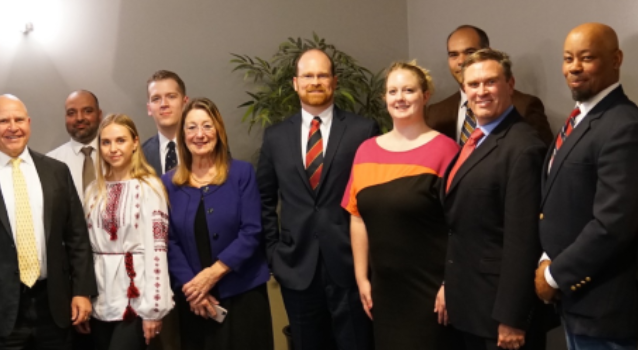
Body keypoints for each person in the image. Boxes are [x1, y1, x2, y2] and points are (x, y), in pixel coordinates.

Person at [534, 23, 638, 350]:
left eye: (586, 57)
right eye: (567, 58)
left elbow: (612, 226)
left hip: (602, 307)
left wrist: (554, 275)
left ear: (616, 59)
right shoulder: (581, 119)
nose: (573, 67)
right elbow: (562, 204)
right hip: (576, 302)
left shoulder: (625, 127)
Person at [0, 95, 97, 350]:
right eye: (3, 121)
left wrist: (82, 290)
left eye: (18, 120)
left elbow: (77, 237)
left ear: (29, 122)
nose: (13, 127)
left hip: (55, 306)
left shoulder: (56, 171)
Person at [256, 48, 378, 350]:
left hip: (350, 265)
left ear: (334, 81)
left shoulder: (363, 131)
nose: (315, 81)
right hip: (296, 267)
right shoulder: (275, 137)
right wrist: (274, 253)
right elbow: (265, 199)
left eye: (322, 75)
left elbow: (373, 200)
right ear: (296, 83)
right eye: (308, 76)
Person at [343, 61, 459, 350]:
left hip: (432, 291)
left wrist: (450, 282)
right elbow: (357, 218)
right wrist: (361, 278)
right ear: (385, 98)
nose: (400, 97)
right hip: (385, 290)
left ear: (425, 95)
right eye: (393, 91)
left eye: (409, 90)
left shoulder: (446, 150)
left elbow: (460, 225)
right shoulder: (366, 151)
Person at [441, 49, 547, 350]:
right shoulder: (473, 141)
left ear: (510, 84)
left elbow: (523, 241)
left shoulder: (523, 147)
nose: (481, 91)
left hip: (499, 317)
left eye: (490, 82)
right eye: (473, 84)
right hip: (468, 305)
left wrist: (512, 317)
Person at [163, 98, 273, 350]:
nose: (199, 134)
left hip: (243, 294)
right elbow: (168, 240)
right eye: (191, 127)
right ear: (182, 134)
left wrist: (211, 276)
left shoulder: (242, 173)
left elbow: (252, 231)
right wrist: (192, 288)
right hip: (195, 301)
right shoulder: (168, 183)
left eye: (207, 126)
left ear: (219, 131)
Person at [82, 114, 174, 349]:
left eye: (120, 140)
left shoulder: (149, 187)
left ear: (135, 142)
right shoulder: (93, 190)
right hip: (99, 298)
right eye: (106, 142)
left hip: (135, 297)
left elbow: (158, 249)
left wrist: (154, 309)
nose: (113, 149)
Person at [425, 25, 552, 144]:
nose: (461, 61)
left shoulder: (525, 106)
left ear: (487, 53)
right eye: (453, 55)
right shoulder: (435, 113)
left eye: (470, 52)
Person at [46, 90, 104, 197]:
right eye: (71, 113)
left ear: (99, 115)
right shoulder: (51, 162)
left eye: (87, 111)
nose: (79, 118)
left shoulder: (118, 156)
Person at [141, 70, 190, 174]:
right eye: (156, 98)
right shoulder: (140, 156)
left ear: (185, 103)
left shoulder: (205, 145)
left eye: (171, 96)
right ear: (149, 109)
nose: (164, 104)